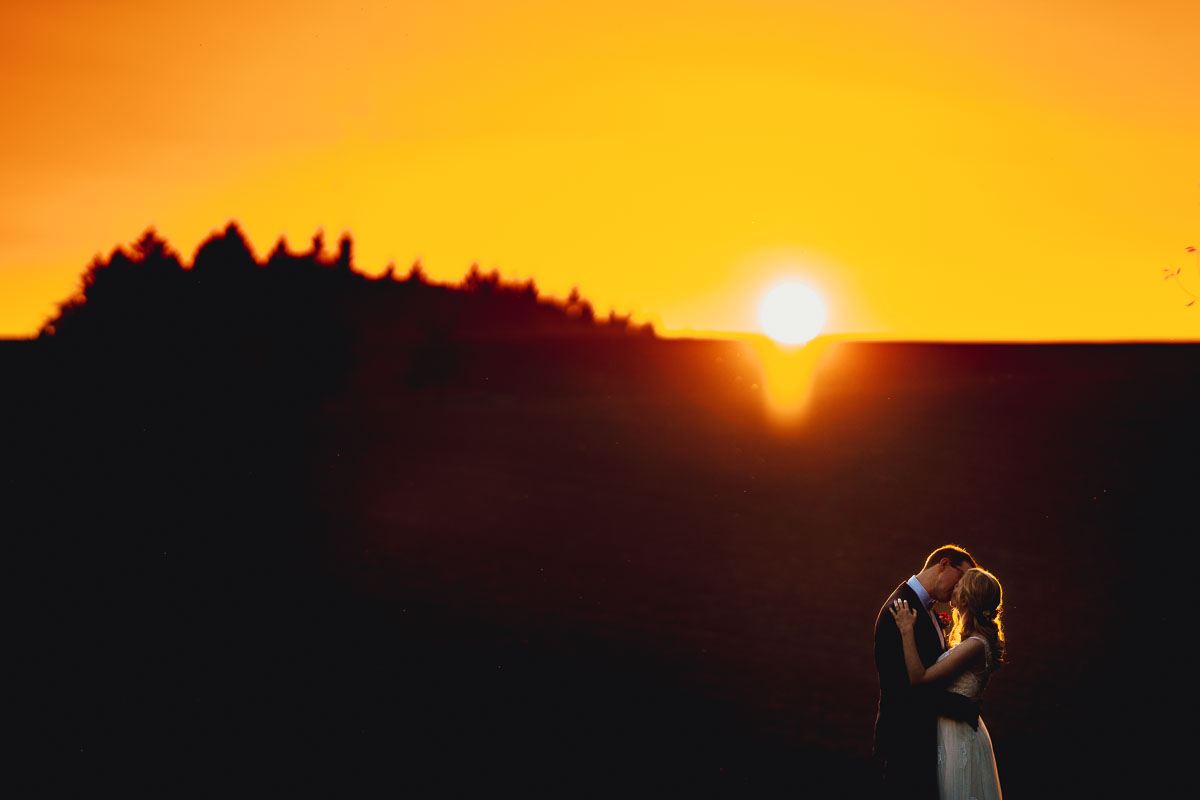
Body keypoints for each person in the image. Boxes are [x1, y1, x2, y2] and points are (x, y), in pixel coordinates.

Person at [873, 545, 980, 799]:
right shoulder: (899, 608)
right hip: (903, 741)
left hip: (925, 741)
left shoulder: (926, 608)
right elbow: (902, 688)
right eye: (961, 579)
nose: (960, 589)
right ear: (943, 564)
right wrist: (956, 706)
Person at [889, 567, 1005, 800]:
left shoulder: (975, 645)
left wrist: (906, 630)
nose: (955, 586)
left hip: (958, 735)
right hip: (951, 729)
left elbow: (919, 678)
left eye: (960, 584)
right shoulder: (973, 641)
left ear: (967, 599)